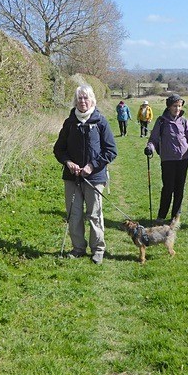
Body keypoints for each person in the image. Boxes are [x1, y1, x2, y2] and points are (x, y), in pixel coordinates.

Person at [54, 84, 118, 264]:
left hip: (94, 178)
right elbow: (59, 149)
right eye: (79, 98)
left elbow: (111, 150)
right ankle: (78, 248)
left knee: (94, 215)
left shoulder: (101, 122)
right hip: (72, 178)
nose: (82, 101)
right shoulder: (69, 122)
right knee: (74, 215)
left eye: (85, 98)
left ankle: (98, 249)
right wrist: (68, 163)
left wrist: (92, 166)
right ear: (75, 101)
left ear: (92, 100)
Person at [144, 94, 188, 222]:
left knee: (179, 188)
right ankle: (161, 216)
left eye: (179, 106)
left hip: (183, 159)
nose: (177, 109)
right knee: (168, 188)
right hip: (168, 159)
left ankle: (175, 216)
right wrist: (150, 148)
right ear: (169, 107)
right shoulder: (161, 121)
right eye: (175, 106)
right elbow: (153, 139)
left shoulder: (184, 121)